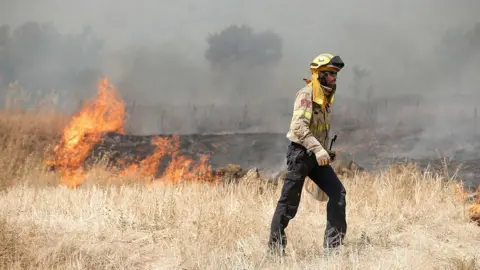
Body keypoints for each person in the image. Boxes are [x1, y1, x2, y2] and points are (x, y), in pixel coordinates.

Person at [268, 53, 347, 256]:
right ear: (319, 74)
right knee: (288, 204)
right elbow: (299, 126)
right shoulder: (306, 94)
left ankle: (333, 251)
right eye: (330, 74)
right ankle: (275, 253)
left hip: (316, 156)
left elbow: (317, 128)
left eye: (336, 74)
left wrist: (325, 151)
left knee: (338, 194)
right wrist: (318, 149)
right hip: (300, 155)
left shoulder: (325, 97)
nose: (334, 78)